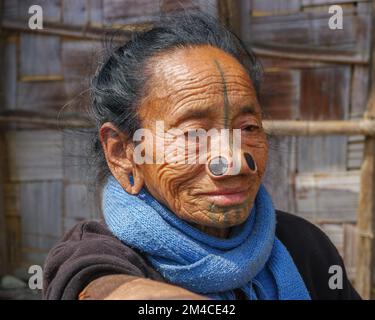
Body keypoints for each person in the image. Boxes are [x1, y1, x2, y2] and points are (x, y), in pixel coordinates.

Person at [43, 11, 360, 300]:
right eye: (194, 133)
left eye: (248, 128)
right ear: (123, 152)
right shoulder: (93, 255)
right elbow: (105, 289)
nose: (234, 162)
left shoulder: (303, 246)